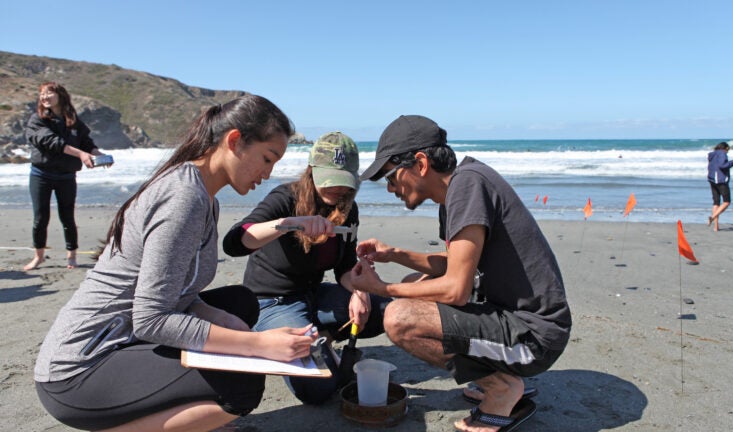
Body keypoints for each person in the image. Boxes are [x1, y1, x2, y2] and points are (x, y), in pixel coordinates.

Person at [34, 95, 316, 432]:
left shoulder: (203, 197)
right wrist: (259, 345)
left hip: (125, 339)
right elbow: (151, 318)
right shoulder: (182, 199)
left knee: (238, 305)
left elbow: (178, 295)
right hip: (79, 369)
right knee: (243, 383)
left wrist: (232, 325)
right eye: (267, 159)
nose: (268, 174)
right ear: (235, 141)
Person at [349, 115, 572, 432]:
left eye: (389, 176)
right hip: (518, 319)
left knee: (399, 318)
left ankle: (502, 388)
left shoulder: (467, 185)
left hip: (536, 338)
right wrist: (394, 254)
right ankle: (503, 378)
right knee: (416, 284)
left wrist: (383, 289)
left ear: (421, 163)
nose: (389, 188)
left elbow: (456, 289)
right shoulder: (461, 185)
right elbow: (457, 263)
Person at [222, 131, 390, 404]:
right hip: (272, 302)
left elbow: (345, 267)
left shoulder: (348, 207)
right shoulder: (285, 198)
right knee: (319, 391)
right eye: (330, 181)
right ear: (311, 171)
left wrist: (360, 291)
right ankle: (278, 338)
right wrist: (289, 223)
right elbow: (235, 242)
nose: (338, 190)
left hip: (314, 296)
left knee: (383, 310)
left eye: (344, 182)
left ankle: (316, 337)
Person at [24, 81, 110, 271]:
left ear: (60, 96)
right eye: (42, 94)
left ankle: (71, 256)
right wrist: (80, 154)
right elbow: (52, 142)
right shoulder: (36, 120)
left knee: (68, 217)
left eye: (49, 93)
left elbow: (86, 142)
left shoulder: (72, 120)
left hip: (66, 176)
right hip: (42, 174)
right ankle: (38, 257)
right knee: (41, 217)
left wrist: (99, 155)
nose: (45, 97)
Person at [707, 141, 733, 232]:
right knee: (726, 202)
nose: (728, 152)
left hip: (712, 179)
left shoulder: (712, 155)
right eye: (728, 150)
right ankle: (712, 217)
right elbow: (723, 166)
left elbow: (718, 165)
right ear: (726, 148)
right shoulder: (723, 154)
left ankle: (716, 227)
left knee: (716, 203)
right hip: (721, 181)